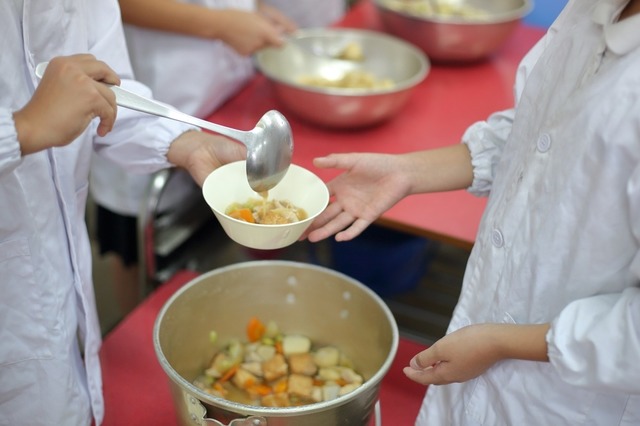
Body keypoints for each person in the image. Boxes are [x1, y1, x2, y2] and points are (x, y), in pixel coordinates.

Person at [304, 0, 640, 423]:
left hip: (576, 401)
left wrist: (502, 342)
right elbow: (542, 135)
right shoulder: (591, 8)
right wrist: (407, 172)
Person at [0, 1, 245, 424]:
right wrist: (22, 129)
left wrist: (187, 144)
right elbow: (42, 119)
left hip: (59, 280)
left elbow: (110, 93)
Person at [89, 0, 346, 317]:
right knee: (137, 249)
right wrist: (219, 23)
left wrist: (248, 10)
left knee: (205, 232)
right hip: (157, 89)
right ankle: (142, 323)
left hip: (221, 93)